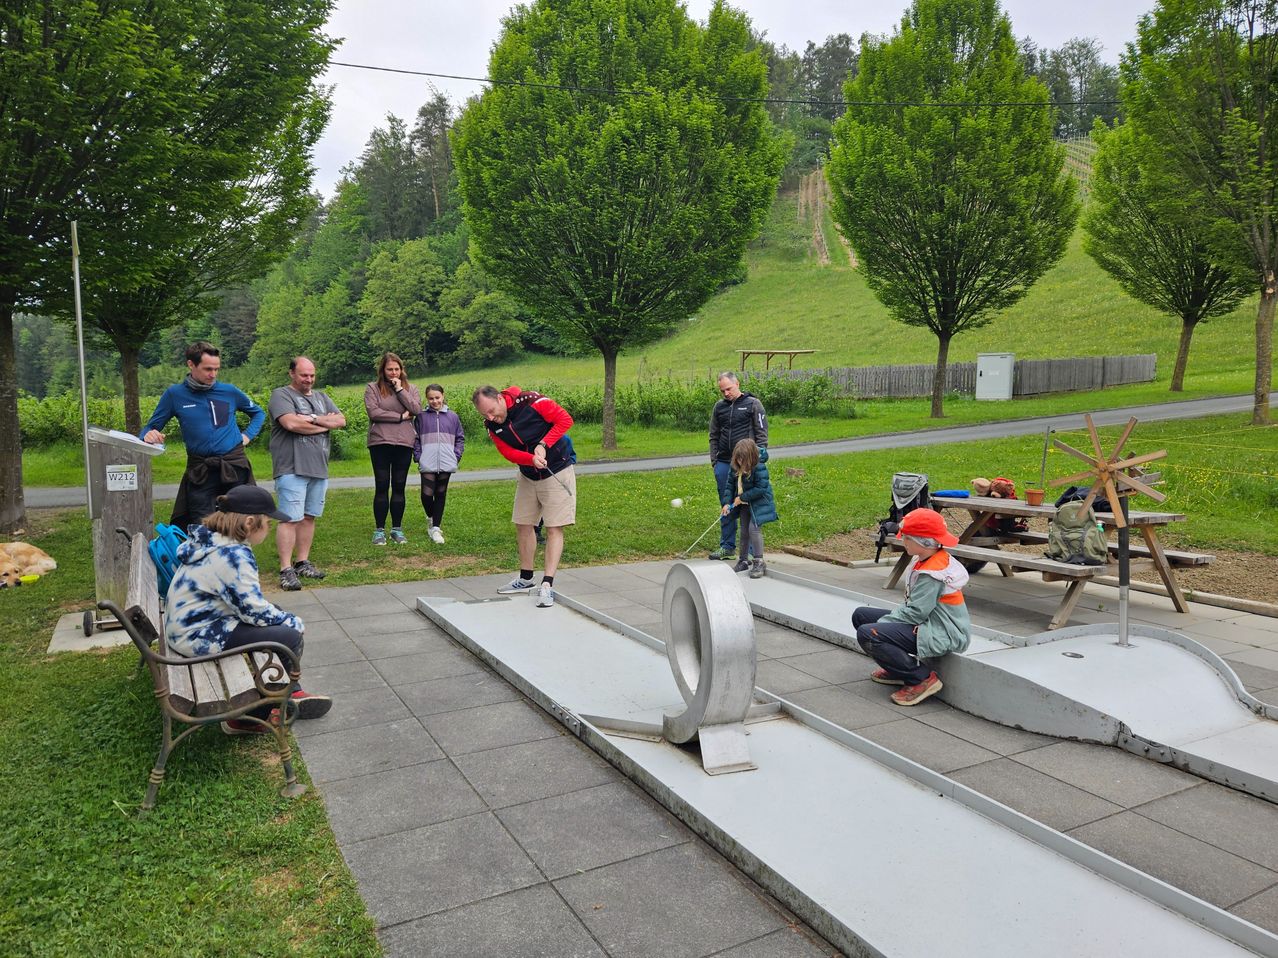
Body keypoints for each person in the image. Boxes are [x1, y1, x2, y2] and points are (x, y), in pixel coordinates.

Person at [163, 484, 331, 734]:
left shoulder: (213, 539)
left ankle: (291, 692)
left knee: (276, 616)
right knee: (289, 636)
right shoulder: (233, 555)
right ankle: (250, 717)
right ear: (251, 522)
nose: (270, 527)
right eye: (268, 522)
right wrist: (292, 621)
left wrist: (278, 615)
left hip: (187, 628)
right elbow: (253, 611)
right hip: (199, 636)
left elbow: (249, 605)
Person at [140, 341, 266, 531]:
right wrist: (148, 435)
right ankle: (206, 558)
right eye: (208, 369)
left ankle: (239, 559)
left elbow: (258, 413)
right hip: (201, 470)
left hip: (233, 465)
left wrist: (247, 436)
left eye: (216, 369)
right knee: (201, 526)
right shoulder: (175, 394)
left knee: (239, 522)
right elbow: (151, 426)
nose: (213, 374)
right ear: (191, 364)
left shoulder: (229, 391)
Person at [852, 508, 971, 707]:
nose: (903, 541)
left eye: (906, 538)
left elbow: (916, 612)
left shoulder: (932, 573)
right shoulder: (928, 558)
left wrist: (882, 625)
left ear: (922, 541)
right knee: (861, 616)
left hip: (943, 631)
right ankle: (897, 669)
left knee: (869, 633)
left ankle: (921, 679)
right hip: (929, 622)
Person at [471, 385, 574, 609]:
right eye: (484, 414)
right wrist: (530, 459)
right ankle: (526, 578)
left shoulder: (532, 402)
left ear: (500, 398)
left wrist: (543, 445)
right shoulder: (491, 425)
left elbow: (565, 420)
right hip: (528, 473)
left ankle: (547, 585)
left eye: (491, 410)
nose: (490, 417)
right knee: (523, 523)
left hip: (557, 467)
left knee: (554, 527)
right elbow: (507, 452)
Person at [268, 357, 346, 591]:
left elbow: (341, 420)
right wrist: (325, 424)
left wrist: (312, 419)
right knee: (289, 518)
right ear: (292, 373)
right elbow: (291, 424)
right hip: (291, 466)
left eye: (312, 375)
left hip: (318, 467)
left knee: (309, 516)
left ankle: (302, 562)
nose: (309, 379)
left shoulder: (322, 397)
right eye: (304, 375)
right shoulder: (281, 395)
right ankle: (285, 570)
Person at [708, 371, 767, 560]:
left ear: (737, 384)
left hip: (747, 465)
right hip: (724, 462)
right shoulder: (719, 408)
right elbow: (713, 435)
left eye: (729, 389)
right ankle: (727, 546)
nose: (726, 393)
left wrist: (756, 462)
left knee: (746, 504)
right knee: (726, 503)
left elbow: (762, 436)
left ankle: (749, 551)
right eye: (722, 390)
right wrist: (715, 462)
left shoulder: (753, 404)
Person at [364, 353, 422, 545]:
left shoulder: (410, 388)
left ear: (401, 370)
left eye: (397, 369)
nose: (393, 372)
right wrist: (399, 417)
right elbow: (374, 412)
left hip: (404, 442)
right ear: (382, 370)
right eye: (390, 369)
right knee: (382, 485)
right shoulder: (372, 388)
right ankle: (379, 530)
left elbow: (416, 409)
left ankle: (397, 529)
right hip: (380, 442)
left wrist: (399, 390)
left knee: (399, 485)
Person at [413, 383, 464, 543]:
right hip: (427, 461)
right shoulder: (420, 417)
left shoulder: (453, 417)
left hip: (447, 461)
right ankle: (430, 517)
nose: (434, 401)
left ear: (443, 396)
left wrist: (456, 455)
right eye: (431, 398)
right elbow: (415, 439)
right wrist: (419, 456)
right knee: (426, 494)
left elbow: (460, 438)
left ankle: (436, 528)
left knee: (440, 494)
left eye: (437, 397)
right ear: (426, 399)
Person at [721, 438, 776, 579]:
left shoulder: (759, 466)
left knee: (754, 529)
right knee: (744, 531)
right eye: (737, 459)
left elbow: (761, 488)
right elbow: (729, 486)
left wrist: (743, 497)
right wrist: (726, 503)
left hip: (759, 504)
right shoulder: (735, 466)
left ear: (750, 457)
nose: (740, 462)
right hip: (744, 504)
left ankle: (759, 562)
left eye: (742, 459)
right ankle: (743, 561)